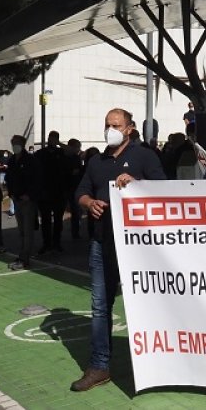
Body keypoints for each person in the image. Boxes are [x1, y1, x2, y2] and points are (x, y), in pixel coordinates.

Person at [71, 108, 165, 392]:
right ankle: (99, 366)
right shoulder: (96, 161)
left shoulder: (145, 156)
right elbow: (80, 193)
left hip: (140, 248)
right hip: (102, 243)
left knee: (149, 303)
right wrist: (89, 203)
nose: (110, 130)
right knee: (100, 306)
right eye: (107, 125)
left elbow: (164, 189)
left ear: (129, 129)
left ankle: (157, 363)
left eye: (116, 125)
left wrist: (137, 185)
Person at [5, 134, 43, 270]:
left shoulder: (31, 160)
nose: (15, 146)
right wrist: (11, 193)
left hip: (27, 200)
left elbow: (37, 180)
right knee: (21, 230)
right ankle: (21, 255)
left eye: (17, 143)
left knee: (27, 231)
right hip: (16, 198)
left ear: (23, 144)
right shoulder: (12, 160)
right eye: (13, 143)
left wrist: (29, 195)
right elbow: (9, 178)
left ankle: (25, 258)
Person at [37, 131, 67, 255]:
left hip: (59, 191)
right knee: (46, 220)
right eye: (51, 138)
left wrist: (59, 144)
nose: (52, 140)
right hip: (45, 192)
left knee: (58, 220)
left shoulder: (61, 152)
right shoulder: (41, 153)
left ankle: (56, 243)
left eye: (55, 138)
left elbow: (73, 151)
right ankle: (46, 243)